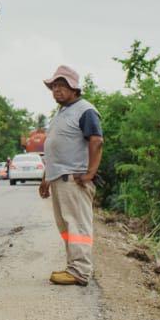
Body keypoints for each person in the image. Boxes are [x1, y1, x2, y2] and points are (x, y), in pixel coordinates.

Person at [38, 65, 103, 286]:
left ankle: (80, 271)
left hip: (74, 179)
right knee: (67, 227)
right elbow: (55, 148)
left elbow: (97, 141)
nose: (56, 90)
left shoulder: (85, 110)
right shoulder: (62, 112)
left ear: (74, 89)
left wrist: (90, 173)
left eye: (62, 86)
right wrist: (46, 178)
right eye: (54, 86)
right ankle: (74, 267)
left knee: (78, 226)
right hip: (59, 178)